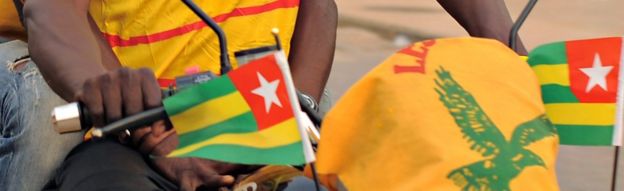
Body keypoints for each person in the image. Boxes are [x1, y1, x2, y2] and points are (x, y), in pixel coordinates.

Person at [0, 0, 338, 190]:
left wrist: (294, 107)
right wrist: (146, 127)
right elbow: (52, 13)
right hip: (143, 110)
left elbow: (320, 8)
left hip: (263, 98)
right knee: (43, 127)